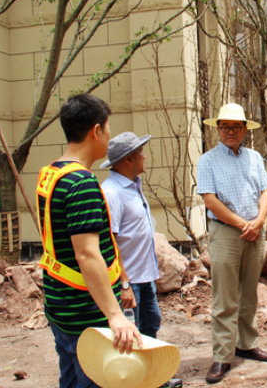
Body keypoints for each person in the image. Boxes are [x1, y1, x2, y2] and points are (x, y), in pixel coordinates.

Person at [36, 94, 141, 388]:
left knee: (70, 378)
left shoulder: (52, 173)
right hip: (85, 313)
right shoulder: (81, 183)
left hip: (61, 306)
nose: (108, 137)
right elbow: (87, 254)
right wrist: (115, 315)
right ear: (96, 131)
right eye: (108, 129)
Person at [197, 103, 267, 384]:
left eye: (236, 126)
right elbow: (210, 201)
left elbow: (265, 190)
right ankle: (222, 356)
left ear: (244, 130)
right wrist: (243, 224)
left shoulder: (254, 158)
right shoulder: (207, 160)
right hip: (227, 234)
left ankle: (247, 343)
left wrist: (259, 221)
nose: (231, 131)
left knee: (249, 292)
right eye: (225, 126)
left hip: (255, 232)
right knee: (225, 297)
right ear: (218, 129)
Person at [101, 132, 183, 388]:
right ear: (128, 159)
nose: (144, 156)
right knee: (130, 335)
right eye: (140, 152)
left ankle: (151, 379)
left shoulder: (132, 185)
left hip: (144, 277)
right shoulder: (112, 192)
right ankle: (132, 380)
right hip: (128, 282)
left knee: (150, 324)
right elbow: (110, 242)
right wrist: (124, 284)